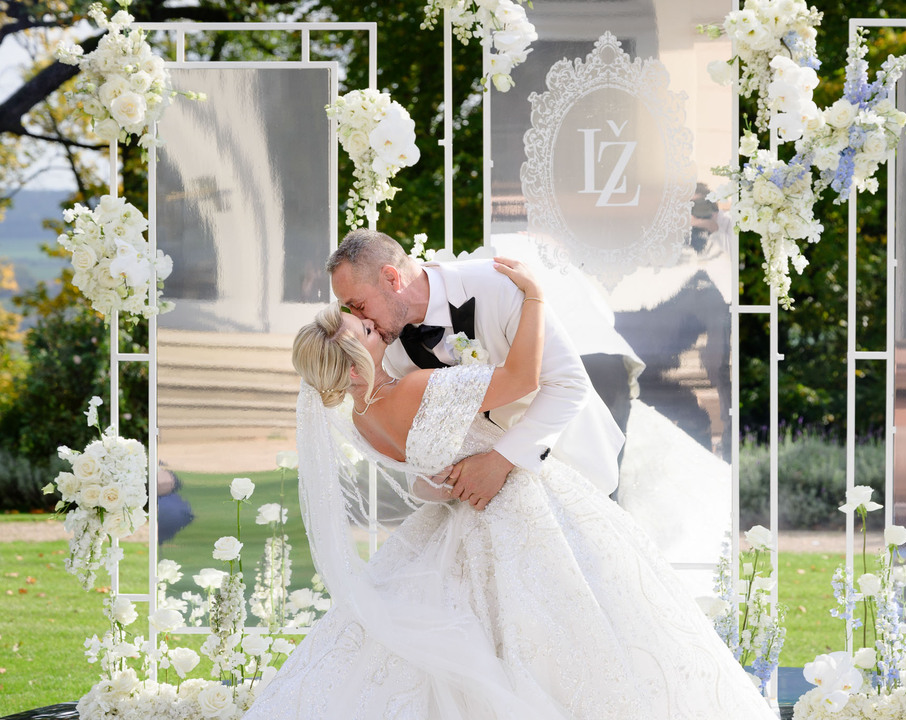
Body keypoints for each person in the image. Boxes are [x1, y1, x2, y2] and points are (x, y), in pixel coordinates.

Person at [242, 258, 774, 719]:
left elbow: (424, 483)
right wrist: (537, 297)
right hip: (515, 503)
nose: (367, 323)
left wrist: (449, 476)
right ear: (353, 360)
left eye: (360, 312)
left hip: (451, 517)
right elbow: (522, 378)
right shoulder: (414, 387)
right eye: (358, 328)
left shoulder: (361, 419)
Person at [327, 228, 624, 507]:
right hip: (485, 504)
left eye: (358, 305)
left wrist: (502, 460)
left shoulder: (497, 285)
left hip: (572, 466)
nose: (357, 318)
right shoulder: (387, 345)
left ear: (391, 279)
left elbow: (567, 383)